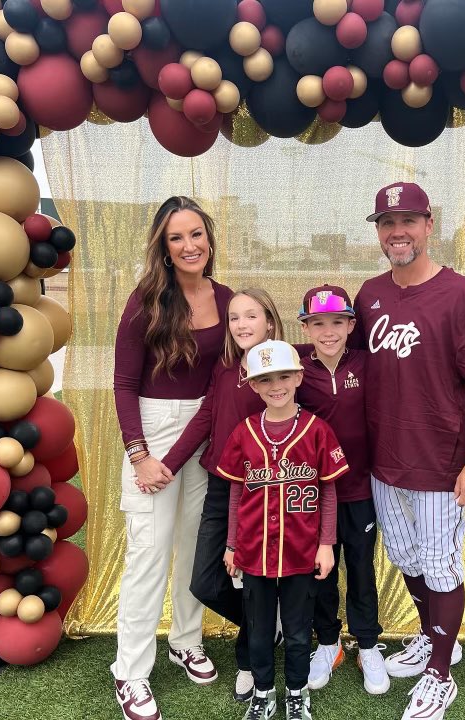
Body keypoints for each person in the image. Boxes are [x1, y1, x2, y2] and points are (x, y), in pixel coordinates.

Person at [353, 182, 465, 720]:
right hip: (384, 461)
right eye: (387, 223)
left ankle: (440, 674)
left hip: (442, 464)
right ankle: (432, 637)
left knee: (441, 567)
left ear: (428, 224)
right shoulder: (369, 294)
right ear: (378, 230)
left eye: (408, 221)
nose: (398, 232)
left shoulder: (461, 295)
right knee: (406, 559)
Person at [111, 196, 233, 720]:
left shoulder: (226, 298)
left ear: (209, 238)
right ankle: (130, 672)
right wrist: (140, 456)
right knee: (149, 556)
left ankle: (186, 640)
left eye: (197, 234)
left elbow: (224, 383)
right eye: (177, 237)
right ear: (163, 247)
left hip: (204, 432)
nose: (190, 246)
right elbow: (123, 383)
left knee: (194, 548)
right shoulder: (146, 300)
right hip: (151, 432)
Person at [159, 289, 285, 704]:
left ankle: (248, 658)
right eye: (234, 318)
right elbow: (206, 418)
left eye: (252, 315)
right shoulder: (226, 367)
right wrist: (169, 464)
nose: (243, 324)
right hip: (220, 484)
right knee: (204, 582)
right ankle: (268, 621)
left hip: (264, 488)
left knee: (255, 577)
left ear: (269, 320)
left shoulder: (282, 365)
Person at [219, 340, 349, 720]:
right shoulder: (244, 432)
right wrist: (230, 545)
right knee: (258, 631)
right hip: (254, 551)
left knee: (296, 631)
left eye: (283, 376)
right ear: (254, 385)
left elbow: (328, 490)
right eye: (265, 379)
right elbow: (235, 492)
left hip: (301, 551)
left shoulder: (316, 431)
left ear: (297, 377)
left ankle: (297, 692)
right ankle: (264, 693)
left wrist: (327, 544)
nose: (275, 385)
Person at [295, 285, 387, 695]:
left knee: (362, 571)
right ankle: (329, 643)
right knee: (321, 572)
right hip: (315, 494)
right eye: (318, 323)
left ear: (352, 324)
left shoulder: (369, 364)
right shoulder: (296, 368)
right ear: (307, 327)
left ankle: (368, 644)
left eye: (337, 322)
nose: (328, 331)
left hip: (362, 489)